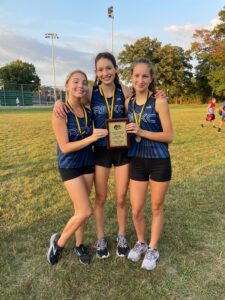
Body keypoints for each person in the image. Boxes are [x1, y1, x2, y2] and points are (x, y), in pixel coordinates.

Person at [53, 52, 131, 258]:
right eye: (100, 69)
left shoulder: (125, 90)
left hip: (123, 150)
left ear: (116, 69)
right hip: (101, 151)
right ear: (96, 73)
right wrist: (58, 102)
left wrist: (159, 95)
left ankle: (122, 235)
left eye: (109, 68)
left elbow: (144, 95)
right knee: (101, 197)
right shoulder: (91, 93)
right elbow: (73, 98)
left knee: (122, 197)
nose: (105, 73)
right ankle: (100, 238)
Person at [47, 70, 108, 265]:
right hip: (69, 165)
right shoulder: (60, 112)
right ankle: (59, 242)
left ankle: (79, 245)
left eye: (84, 82)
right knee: (85, 210)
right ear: (66, 85)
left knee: (78, 209)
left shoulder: (88, 112)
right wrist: (92, 138)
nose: (80, 86)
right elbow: (65, 147)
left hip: (87, 164)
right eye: (75, 82)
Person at [125, 58, 173, 270]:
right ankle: (141, 241)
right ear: (131, 77)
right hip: (136, 160)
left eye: (145, 76)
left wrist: (142, 132)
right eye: (137, 75)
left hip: (159, 160)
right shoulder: (128, 102)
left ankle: (153, 247)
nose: (140, 79)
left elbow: (169, 135)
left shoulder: (159, 101)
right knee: (136, 209)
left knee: (156, 207)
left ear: (151, 78)